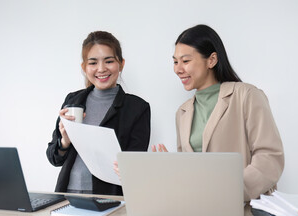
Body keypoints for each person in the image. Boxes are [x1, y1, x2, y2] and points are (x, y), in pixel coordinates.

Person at [152, 24, 284, 202]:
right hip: (200, 208)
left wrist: (228, 191)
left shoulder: (246, 95)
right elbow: (191, 173)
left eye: (185, 61)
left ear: (212, 60)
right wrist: (172, 167)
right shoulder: (182, 113)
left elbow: (270, 159)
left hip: (244, 208)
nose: (178, 69)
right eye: (175, 62)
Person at [47, 31, 150, 195]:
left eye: (109, 61)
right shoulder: (73, 100)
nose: (101, 69)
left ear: (121, 64)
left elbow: (134, 168)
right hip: (67, 194)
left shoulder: (137, 108)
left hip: (109, 197)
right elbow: (54, 158)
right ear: (84, 67)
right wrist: (64, 141)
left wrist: (126, 166)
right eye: (93, 63)